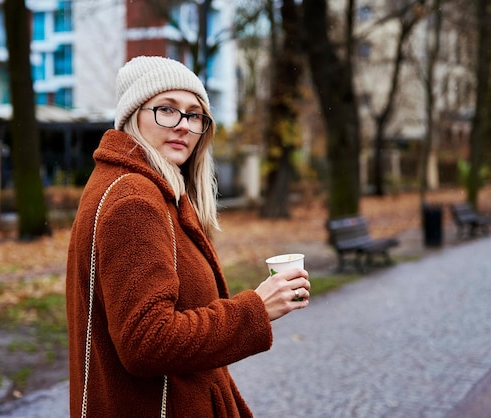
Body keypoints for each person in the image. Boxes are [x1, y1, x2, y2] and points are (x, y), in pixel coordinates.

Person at [66, 56, 311, 417]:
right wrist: (256, 309)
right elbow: (147, 341)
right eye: (166, 109)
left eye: (194, 114)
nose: (183, 125)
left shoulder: (141, 188)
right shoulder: (134, 199)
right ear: (134, 115)